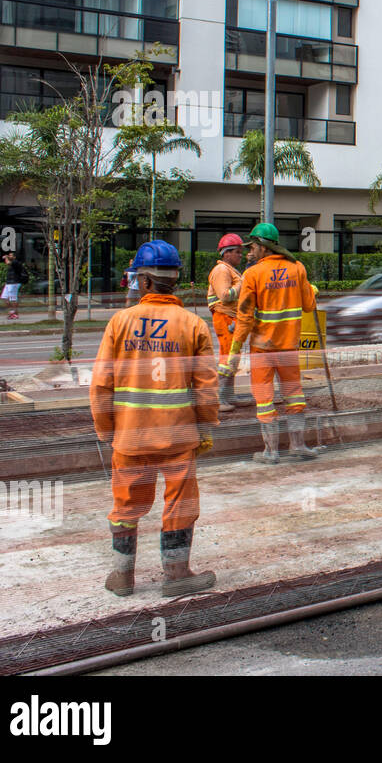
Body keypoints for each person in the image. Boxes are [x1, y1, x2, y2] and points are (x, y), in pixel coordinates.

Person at [89, 240, 219, 598]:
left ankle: (121, 577)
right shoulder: (193, 324)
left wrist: (105, 429)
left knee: (125, 505)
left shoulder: (120, 322)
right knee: (180, 503)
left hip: (129, 438)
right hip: (178, 436)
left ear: (145, 282)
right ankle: (176, 576)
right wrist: (205, 428)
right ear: (173, 281)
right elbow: (207, 386)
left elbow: (101, 383)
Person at [223, 223, 320, 464]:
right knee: (294, 395)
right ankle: (298, 445)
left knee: (264, 399)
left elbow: (244, 318)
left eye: (252, 247)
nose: (249, 252)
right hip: (288, 348)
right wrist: (311, 290)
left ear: (262, 246)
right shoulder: (297, 267)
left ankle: (271, 451)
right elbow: (309, 305)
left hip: (262, 349)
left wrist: (233, 354)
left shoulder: (253, 274)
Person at [206, 232, 252, 412]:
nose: (241, 255)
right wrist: (244, 283)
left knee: (233, 358)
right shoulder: (221, 270)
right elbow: (225, 296)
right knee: (227, 358)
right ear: (226, 253)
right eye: (237, 252)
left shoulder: (230, 270)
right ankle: (219, 398)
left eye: (241, 252)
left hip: (232, 318)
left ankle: (228, 395)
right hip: (224, 317)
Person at [0, 252, 26, 320]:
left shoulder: (16, 262)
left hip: (14, 283)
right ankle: (13, 312)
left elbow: (8, 262)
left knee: (13, 299)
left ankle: (14, 313)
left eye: (11, 255)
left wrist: (6, 257)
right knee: (4, 297)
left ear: (14, 257)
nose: (9, 256)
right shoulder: (12, 263)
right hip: (8, 283)